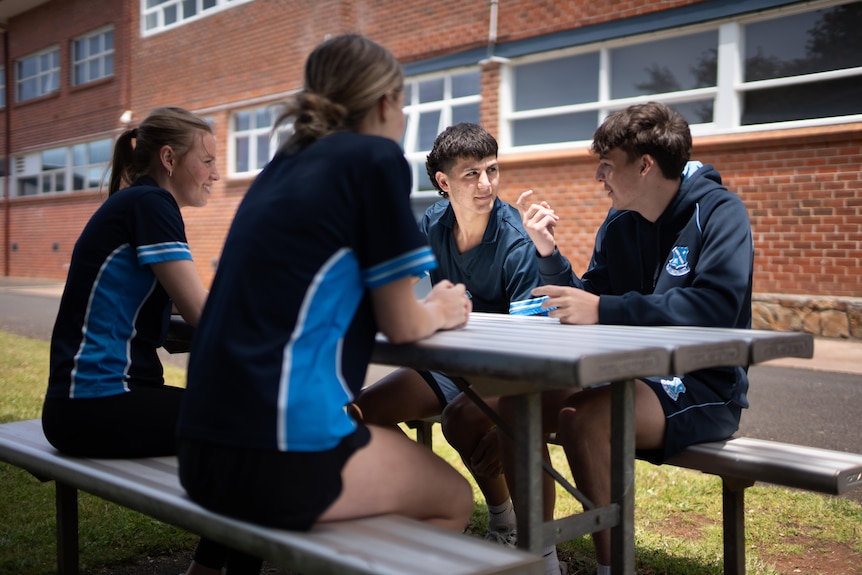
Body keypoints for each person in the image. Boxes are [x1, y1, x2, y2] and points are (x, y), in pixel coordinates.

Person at [175, 34, 475, 561]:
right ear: (385, 102)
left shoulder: (279, 168)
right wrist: (443, 308)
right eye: (403, 105)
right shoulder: (374, 159)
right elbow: (403, 324)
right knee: (450, 498)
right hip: (277, 453)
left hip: (199, 450)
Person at [505, 101, 754, 575]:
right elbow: (591, 300)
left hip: (703, 386)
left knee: (584, 422)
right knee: (516, 404)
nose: (599, 175)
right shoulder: (619, 222)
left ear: (645, 165)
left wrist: (604, 309)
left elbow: (716, 307)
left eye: (607, 164)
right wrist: (549, 253)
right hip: (628, 374)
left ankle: (613, 568)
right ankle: (537, 560)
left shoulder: (720, 211)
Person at [40, 106, 229, 574]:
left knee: (241, 421)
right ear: (169, 158)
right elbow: (203, 312)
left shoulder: (137, 202)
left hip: (85, 403)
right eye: (206, 161)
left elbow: (183, 314)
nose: (216, 174)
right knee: (252, 429)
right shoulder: (151, 205)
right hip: (97, 403)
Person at [351, 122, 541, 548]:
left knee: (465, 422)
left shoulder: (516, 240)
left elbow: (535, 342)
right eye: (471, 174)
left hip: (505, 370)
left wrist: (506, 418)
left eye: (492, 170)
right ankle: (426, 491)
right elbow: (404, 290)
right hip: (448, 365)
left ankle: (504, 523)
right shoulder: (432, 224)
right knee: (360, 413)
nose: (486, 183)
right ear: (443, 181)